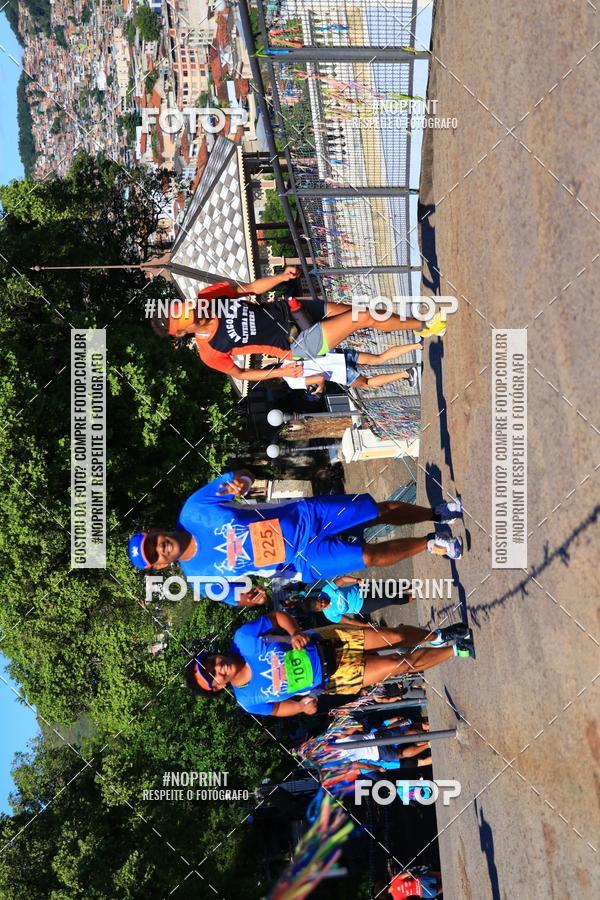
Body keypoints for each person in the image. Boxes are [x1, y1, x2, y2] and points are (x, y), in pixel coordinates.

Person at [127, 469, 465, 605]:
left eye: (153, 542)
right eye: (154, 555)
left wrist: (242, 482)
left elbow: (239, 476)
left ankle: (436, 514)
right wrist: (249, 598)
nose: (159, 548)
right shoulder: (200, 579)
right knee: (367, 557)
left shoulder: (193, 510)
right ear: (160, 566)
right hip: (298, 562)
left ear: (155, 531)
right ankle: (430, 544)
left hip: (303, 515)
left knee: (376, 510)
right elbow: (238, 595)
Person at [150, 266, 445, 383]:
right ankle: (423, 325)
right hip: (294, 344)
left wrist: (280, 278)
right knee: (363, 318)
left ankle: (416, 322)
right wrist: (280, 371)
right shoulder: (209, 352)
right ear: (182, 335)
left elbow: (250, 289)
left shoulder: (208, 297)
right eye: (188, 319)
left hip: (291, 309)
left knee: (362, 312)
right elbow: (241, 374)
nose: (196, 313)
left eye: (188, 308)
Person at [183, 610, 473, 717]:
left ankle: (437, 636)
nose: (217, 667)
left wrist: (294, 632)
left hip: (332, 641)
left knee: (394, 637)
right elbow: (278, 708)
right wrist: (301, 706)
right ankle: (455, 649)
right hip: (334, 678)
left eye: (211, 662)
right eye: (212, 676)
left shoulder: (242, 639)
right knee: (400, 666)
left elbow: (277, 617)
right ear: (218, 687)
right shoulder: (248, 701)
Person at [282, 344, 422, 393]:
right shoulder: (287, 356)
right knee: (379, 358)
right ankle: (418, 345)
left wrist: (319, 388)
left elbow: (319, 378)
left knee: (367, 383)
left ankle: (407, 373)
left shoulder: (291, 382)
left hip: (340, 373)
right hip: (337, 355)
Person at [297, 575, 414, 624]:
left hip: (361, 589)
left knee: (388, 587)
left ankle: (411, 587)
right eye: (321, 605)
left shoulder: (326, 590)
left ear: (318, 597)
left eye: (320, 600)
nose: (323, 602)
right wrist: (365, 626)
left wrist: (357, 580)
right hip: (363, 606)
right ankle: (412, 597)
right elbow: (349, 621)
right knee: (389, 599)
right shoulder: (330, 615)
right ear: (319, 610)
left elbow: (342, 580)